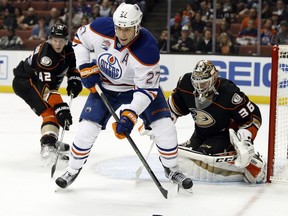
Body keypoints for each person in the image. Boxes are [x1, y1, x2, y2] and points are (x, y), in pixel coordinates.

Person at [55, 2, 193, 191]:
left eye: (127, 29)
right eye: (119, 27)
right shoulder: (101, 27)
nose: (122, 33)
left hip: (138, 89)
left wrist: (130, 114)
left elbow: (147, 90)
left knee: (165, 126)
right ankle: (72, 169)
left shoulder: (147, 49)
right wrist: (85, 67)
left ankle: (171, 168)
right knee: (86, 129)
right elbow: (79, 40)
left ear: (137, 26)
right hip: (105, 87)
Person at [166, 60, 265, 183]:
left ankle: (250, 162)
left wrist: (246, 139)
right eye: (196, 83)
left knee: (204, 157)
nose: (199, 88)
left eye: (203, 83)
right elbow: (175, 106)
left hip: (223, 135)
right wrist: (161, 121)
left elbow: (252, 116)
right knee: (182, 156)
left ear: (213, 78)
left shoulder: (229, 93)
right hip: (200, 133)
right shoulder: (185, 84)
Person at [12, 24, 83, 165]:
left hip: (39, 83)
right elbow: (46, 90)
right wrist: (61, 107)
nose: (58, 44)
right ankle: (47, 148)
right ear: (50, 39)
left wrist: (74, 80)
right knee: (51, 111)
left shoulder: (69, 49)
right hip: (26, 83)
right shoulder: (46, 58)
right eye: (55, 40)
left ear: (66, 40)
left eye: (61, 40)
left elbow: (72, 67)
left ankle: (51, 139)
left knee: (55, 110)